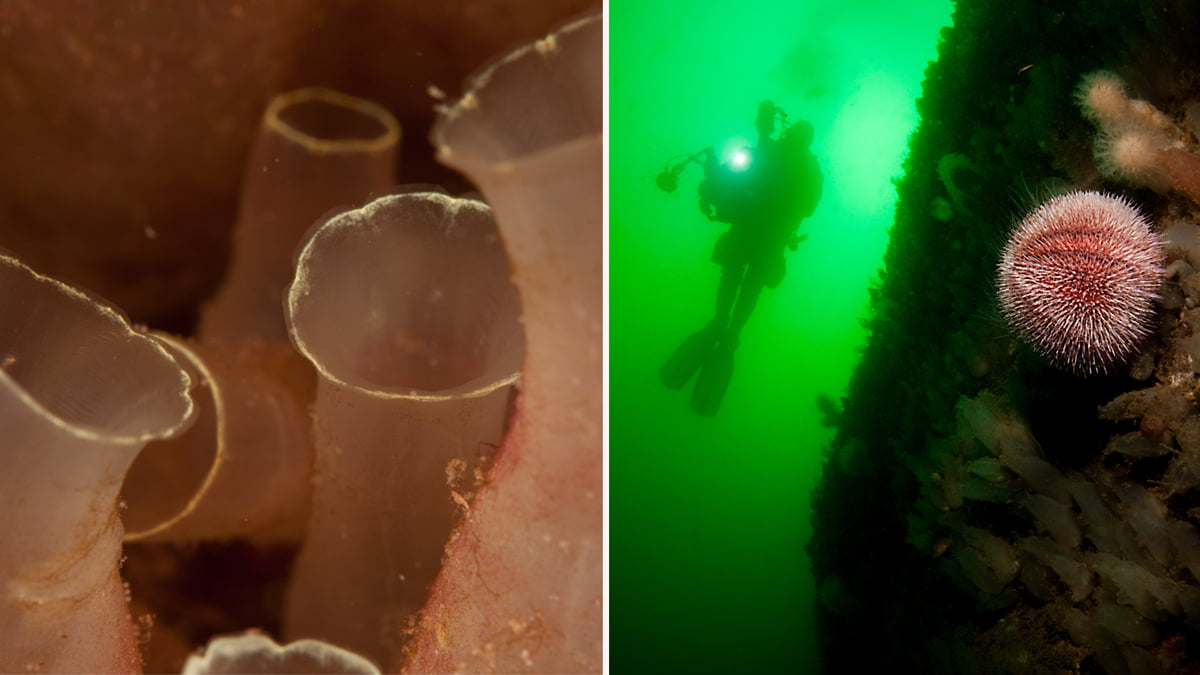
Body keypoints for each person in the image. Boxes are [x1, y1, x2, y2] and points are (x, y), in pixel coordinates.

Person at [660, 100, 823, 417]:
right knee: (746, 282)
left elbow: (749, 167)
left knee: (738, 279)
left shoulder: (788, 159)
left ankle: (724, 326)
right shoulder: (792, 161)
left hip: (756, 230)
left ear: (800, 140)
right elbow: (803, 202)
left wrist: (719, 187)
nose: (794, 140)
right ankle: (728, 328)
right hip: (764, 234)